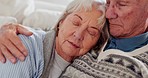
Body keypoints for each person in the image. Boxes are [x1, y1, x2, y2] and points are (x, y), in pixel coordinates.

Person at [1, 0, 148, 77]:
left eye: (121, 4)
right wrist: (6, 27)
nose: (109, 13)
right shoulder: (21, 48)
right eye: (108, 2)